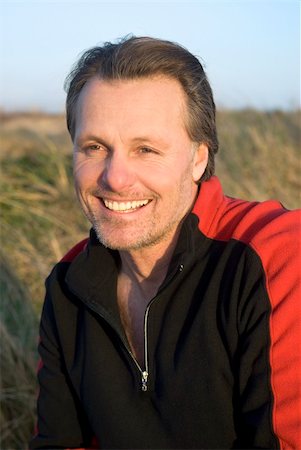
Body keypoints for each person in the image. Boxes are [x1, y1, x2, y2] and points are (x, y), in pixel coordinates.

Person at [30, 36, 300, 450]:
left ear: (198, 158)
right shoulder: (69, 286)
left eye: (146, 149)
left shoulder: (277, 256)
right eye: (95, 147)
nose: (115, 178)